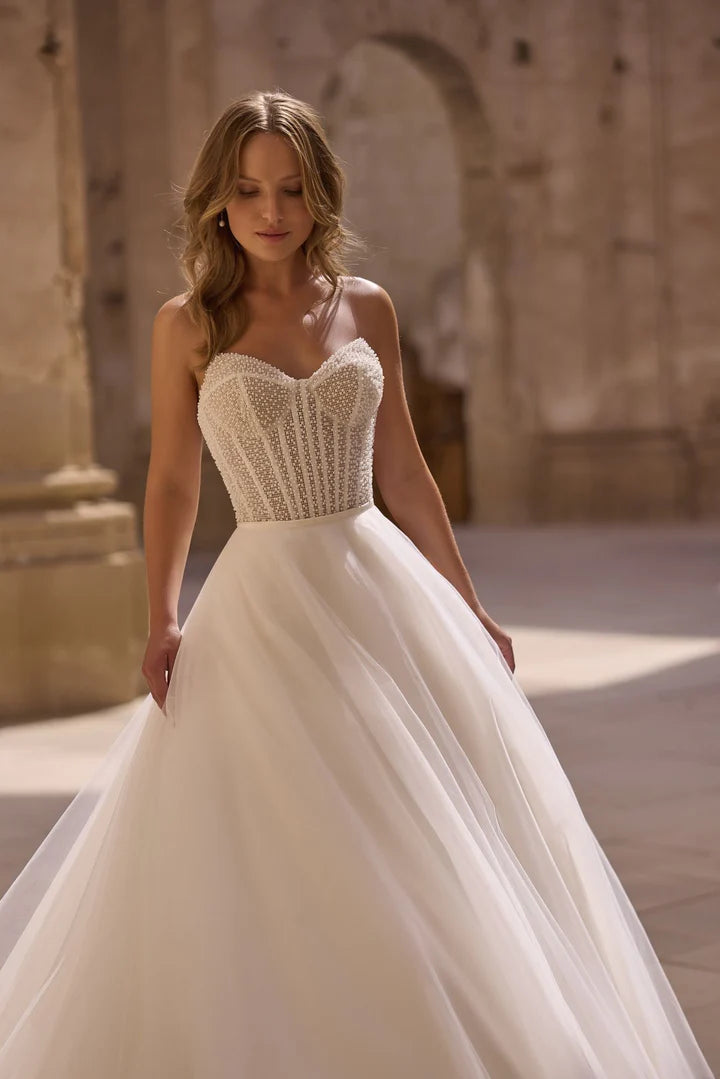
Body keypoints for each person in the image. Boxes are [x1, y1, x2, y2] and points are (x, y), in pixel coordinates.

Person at [0, 89, 713, 1079]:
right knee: (288, 822)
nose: (271, 210)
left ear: (321, 193)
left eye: (292, 188)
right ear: (217, 199)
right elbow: (172, 479)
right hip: (263, 596)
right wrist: (161, 616)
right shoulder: (187, 324)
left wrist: (467, 603)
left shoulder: (366, 305)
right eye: (248, 189)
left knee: (421, 820)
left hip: (377, 585)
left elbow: (406, 470)